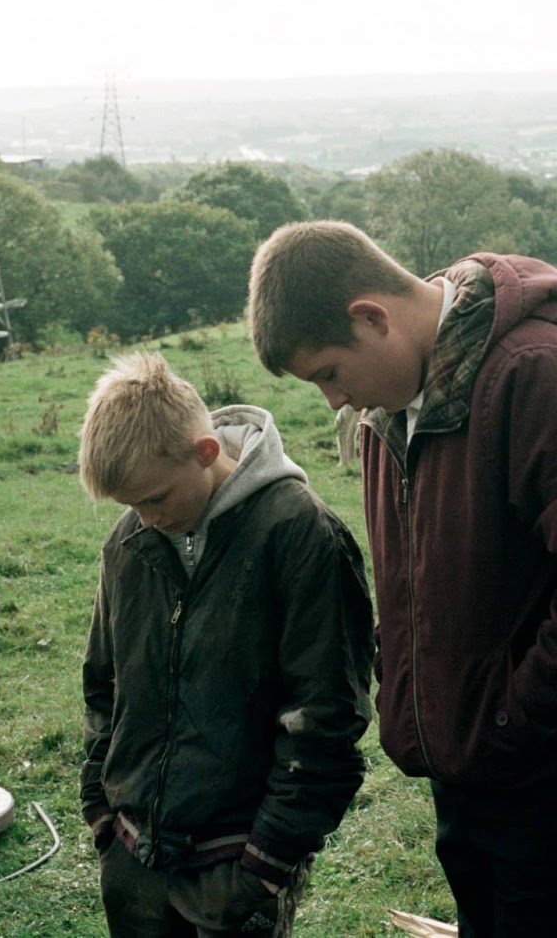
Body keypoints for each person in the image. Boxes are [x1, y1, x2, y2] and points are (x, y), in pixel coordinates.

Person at [247, 221, 557, 937]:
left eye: (328, 372)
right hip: (475, 764)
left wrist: (514, 716)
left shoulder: (538, 372)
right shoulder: (395, 407)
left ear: (372, 317)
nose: (333, 400)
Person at [76, 351, 375, 938]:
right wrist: (102, 815)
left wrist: (265, 865)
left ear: (206, 453)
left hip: (235, 870)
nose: (145, 518)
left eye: (156, 498)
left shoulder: (301, 535)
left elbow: (327, 718)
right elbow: (102, 683)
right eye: (130, 506)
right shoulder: (130, 540)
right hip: (132, 861)